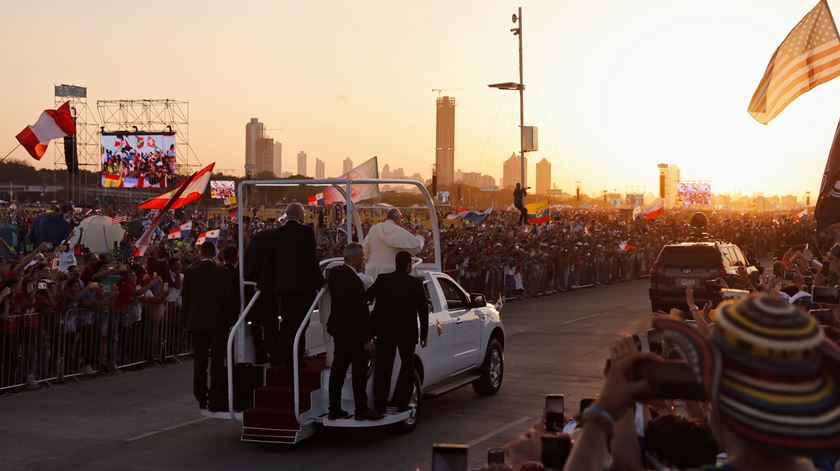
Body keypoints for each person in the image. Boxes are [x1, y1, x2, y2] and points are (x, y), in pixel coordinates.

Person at [325, 243, 382, 421]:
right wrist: (367, 338)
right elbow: (360, 312)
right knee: (359, 373)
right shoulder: (355, 281)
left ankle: (334, 409)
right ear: (356, 258)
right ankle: (361, 409)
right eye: (362, 258)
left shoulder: (334, 274)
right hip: (354, 334)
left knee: (338, 370)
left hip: (338, 330)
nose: (364, 260)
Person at [367, 251, 429, 413]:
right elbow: (423, 312)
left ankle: (380, 403)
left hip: (384, 332)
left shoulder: (383, 279)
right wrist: (424, 335)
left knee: (383, 368)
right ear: (409, 265)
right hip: (407, 333)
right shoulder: (415, 284)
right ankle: (402, 402)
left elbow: (366, 296)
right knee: (407, 367)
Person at [182, 242, 235, 411]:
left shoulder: (190, 272)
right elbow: (230, 298)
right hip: (218, 323)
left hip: (197, 323)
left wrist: (186, 322)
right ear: (214, 254)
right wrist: (230, 319)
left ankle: (200, 396)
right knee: (217, 362)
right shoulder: (221, 272)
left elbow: (186, 300)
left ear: (200, 253)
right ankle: (214, 398)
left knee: (200, 362)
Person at [271, 203, 324, 373]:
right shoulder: (306, 231)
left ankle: (286, 359)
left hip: (285, 288)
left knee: (287, 324)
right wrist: (321, 282)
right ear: (300, 215)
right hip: (303, 287)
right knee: (301, 323)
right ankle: (296, 358)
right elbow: (311, 260)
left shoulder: (277, 233)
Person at [361, 208, 424, 279]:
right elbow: (416, 248)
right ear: (397, 218)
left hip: (371, 270)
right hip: (390, 270)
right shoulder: (398, 231)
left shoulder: (374, 229)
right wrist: (420, 236)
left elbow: (364, 249)